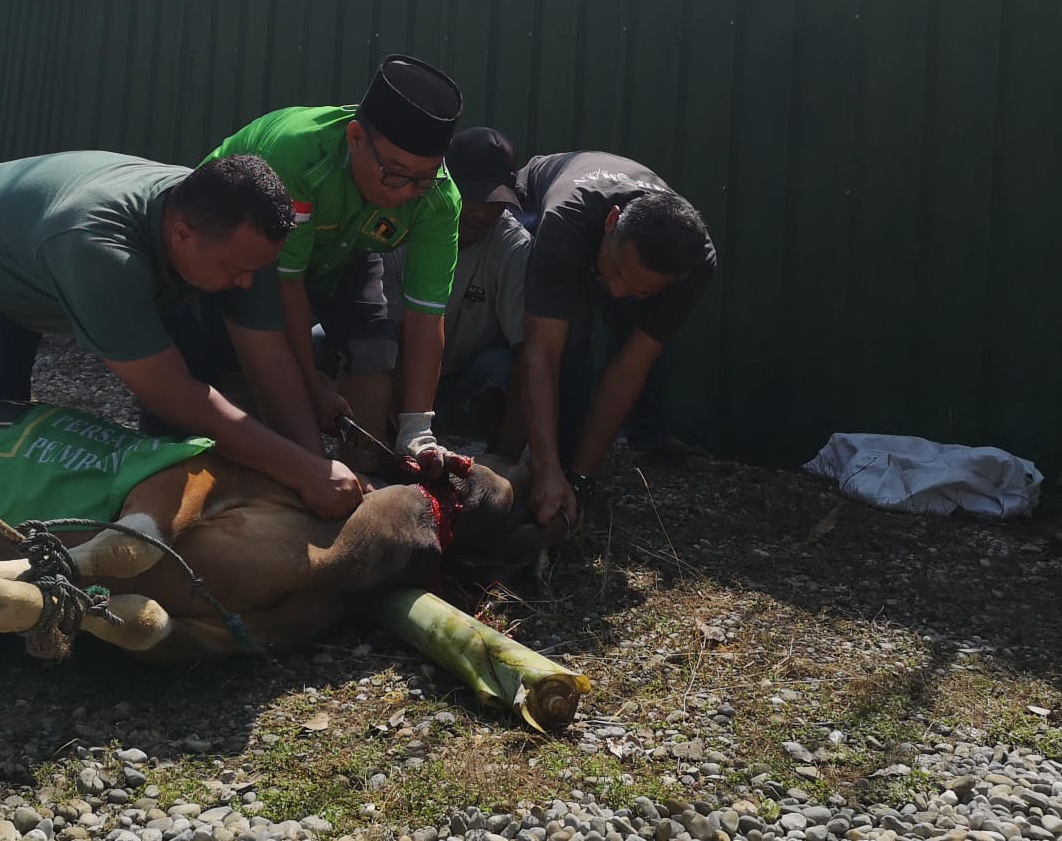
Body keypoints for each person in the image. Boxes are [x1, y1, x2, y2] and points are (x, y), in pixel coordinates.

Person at [0, 151, 368, 519]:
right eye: (236, 271)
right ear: (181, 234)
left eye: (255, 269)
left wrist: (320, 468)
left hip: (52, 239)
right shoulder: (101, 251)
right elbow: (177, 395)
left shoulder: (238, 238)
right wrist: (302, 471)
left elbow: (269, 358)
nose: (248, 284)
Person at [202, 55, 471, 474]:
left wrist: (417, 429)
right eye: (396, 174)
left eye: (425, 179)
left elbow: (425, 316)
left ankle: (359, 480)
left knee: (375, 348)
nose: (408, 194)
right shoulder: (297, 156)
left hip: (342, 252)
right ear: (356, 137)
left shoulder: (438, 198)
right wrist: (310, 386)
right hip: (243, 248)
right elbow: (286, 281)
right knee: (249, 377)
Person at [514, 151, 717, 528]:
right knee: (571, 338)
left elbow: (630, 367)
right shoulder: (567, 220)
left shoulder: (697, 260)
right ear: (611, 222)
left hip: (604, 236)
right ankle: (527, 452)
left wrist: (581, 481)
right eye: (618, 272)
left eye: (642, 289)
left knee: (641, 334)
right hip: (533, 200)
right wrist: (547, 471)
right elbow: (542, 352)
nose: (620, 292)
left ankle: (629, 443)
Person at [383, 127, 533, 453]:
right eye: (470, 198)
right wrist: (408, 433)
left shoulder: (514, 247)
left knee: (501, 368)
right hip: (399, 373)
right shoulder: (399, 229)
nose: (481, 212)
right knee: (333, 345)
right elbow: (392, 337)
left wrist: (506, 467)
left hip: (463, 383)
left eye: (493, 202)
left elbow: (529, 356)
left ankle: (486, 453)